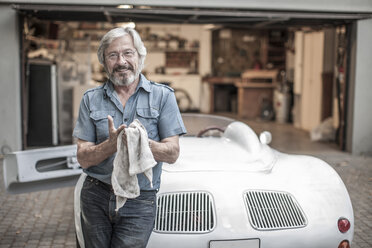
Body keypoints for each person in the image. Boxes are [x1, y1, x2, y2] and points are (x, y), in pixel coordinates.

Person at [73, 27, 187, 248]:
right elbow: (83, 158)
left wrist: (140, 143)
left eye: (128, 53)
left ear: (140, 57)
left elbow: (172, 153)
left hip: (141, 198)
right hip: (95, 195)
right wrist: (111, 145)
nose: (121, 61)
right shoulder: (90, 99)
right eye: (113, 55)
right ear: (104, 62)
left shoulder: (163, 96)